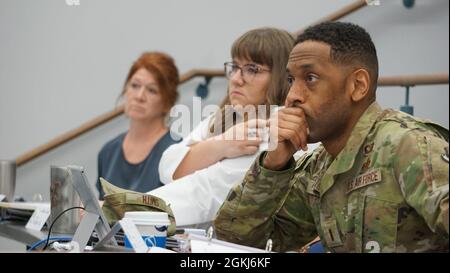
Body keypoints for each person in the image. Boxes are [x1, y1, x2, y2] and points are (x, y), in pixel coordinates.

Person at [214, 22, 449, 253]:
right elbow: (236, 240)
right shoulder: (319, 166)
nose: (292, 97)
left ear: (358, 85)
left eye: (310, 78)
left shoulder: (408, 146)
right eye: (290, 80)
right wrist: (273, 164)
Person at [149, 27, 318, 226]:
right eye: (235, 67)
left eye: (252, 69)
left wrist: (129, 209)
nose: (236, 79)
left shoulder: (283, 125)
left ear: (283, 76)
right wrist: (222, 145)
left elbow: (209, 191)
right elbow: (167, 165)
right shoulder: (222, 117)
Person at [96, 52, 181, 200]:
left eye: (152, 90)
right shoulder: (108, 151)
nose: (139, 96)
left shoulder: (177, 151)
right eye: (135, 86)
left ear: (167, 103)